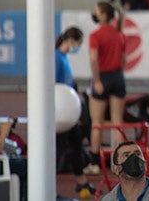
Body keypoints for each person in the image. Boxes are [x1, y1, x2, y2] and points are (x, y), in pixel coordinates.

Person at [55, 27, 97, 198]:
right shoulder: (56, 58)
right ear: (72, 40)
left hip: (68, 113)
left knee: (76, 144)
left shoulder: (63, 58)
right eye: (78, 43)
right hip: (59, 113)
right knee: (58, 150)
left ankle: (82, 182)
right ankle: (50, 189)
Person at [88, 1, 127, 163]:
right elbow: (124, 59)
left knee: (97, 123)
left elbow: (93, 60)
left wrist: (97, 80)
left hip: (102, 78)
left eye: (96, 11)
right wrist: (118, 74)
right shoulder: (119, 34)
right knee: (118, 122)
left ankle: (95, 161)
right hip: (118, 77)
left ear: (103, 15)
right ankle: (119, 160)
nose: (94, 13)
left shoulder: (95, 35)